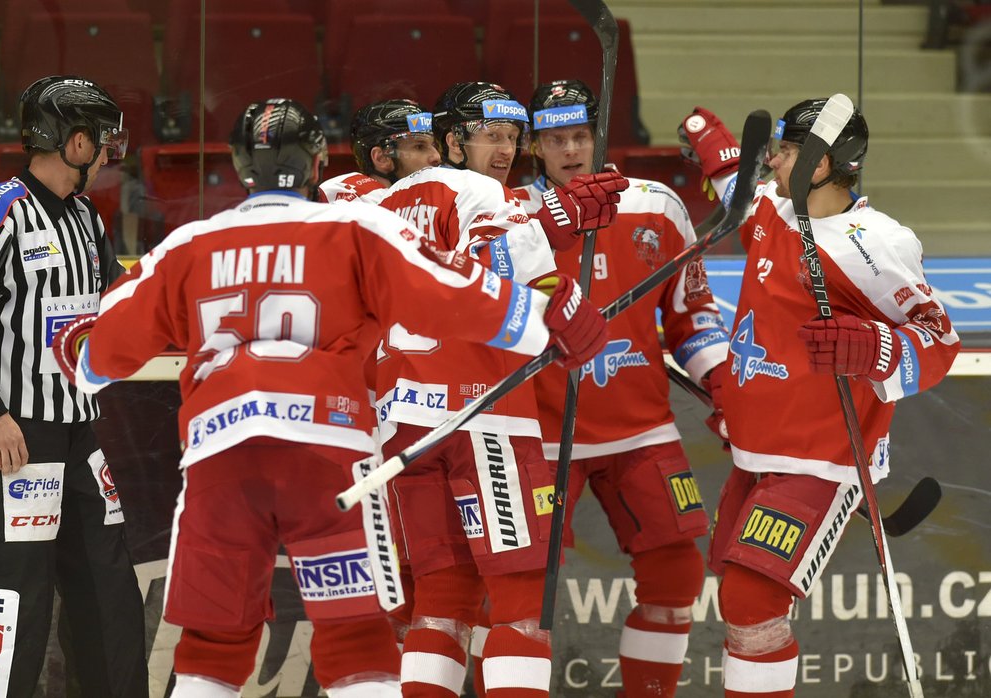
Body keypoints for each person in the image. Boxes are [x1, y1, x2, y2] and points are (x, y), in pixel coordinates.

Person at [51, 97, 611, 698]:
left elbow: (94, 358)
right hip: (329, 462)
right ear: (319, 160)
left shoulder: (190, 244)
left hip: (222, 460)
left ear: (240, 165)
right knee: (356, 638)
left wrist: (79, 347)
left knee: (214, 644)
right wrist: (549, 319)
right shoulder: (356, 229)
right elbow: (451, 291)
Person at [678, 99, 960, 697]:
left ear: (822, 162)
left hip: (824, 458)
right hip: (756, 453)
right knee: (741, 609)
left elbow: (939, 341)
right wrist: (709, 135)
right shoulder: (775, 211)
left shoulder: (876, 244)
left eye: (784, 152)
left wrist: (875, 349)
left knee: (754, 602)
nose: (773, 163)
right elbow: (737, 186)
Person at [369, 80, 626, 697]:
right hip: (482, 416)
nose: (506, 150)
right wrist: (577, 323)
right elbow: (528, 287)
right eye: (491, 136)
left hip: (404, 423)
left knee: (443, 598)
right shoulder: (483, 193)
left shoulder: (382, 206)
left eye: (513, 137)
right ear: (453, 141)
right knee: (520, 595)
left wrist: (554, 221)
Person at [511, 79, 730, 697]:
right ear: (535, 144)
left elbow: (692, 312)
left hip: (641, 430)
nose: (573, 150)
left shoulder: (656, 205)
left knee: (676, 575)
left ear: (602, 134)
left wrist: (722, 380)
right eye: (556, 139)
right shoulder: (511, 214)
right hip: (541, 435)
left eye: (582, 135)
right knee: (520, 589)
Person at [0, 75, 147, 697]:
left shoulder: (85, 215)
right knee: (11, 597)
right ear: (73, 141)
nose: (111, 151)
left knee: (108, 590)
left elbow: (112, 296)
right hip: (12, 435)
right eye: (103, 139)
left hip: (80, 432)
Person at [318, 98, 441, 203]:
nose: (436, 157)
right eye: (419, 147)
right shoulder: (353, 200)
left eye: (435, 145)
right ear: (381, 158)